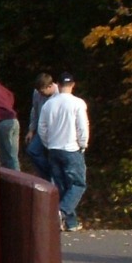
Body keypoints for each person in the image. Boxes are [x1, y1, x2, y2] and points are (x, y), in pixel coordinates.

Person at [37, 73, 90, 230]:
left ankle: (71, 223)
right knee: (78, 184)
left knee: (61, 185)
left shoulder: (49, 105)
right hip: (71, 148)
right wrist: (83, 144)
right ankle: (62, 211)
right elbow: (82, 126)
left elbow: (42, 128)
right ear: (73, 85)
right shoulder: (77, 103)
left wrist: (48, 143)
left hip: (54, 148)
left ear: (58, 85)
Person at [24, 72, 57, 178]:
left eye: (42, 92)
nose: (40, 94)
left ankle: (54, 177)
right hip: (41, 128)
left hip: (55, 130)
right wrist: (31, 129)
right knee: (32, 150)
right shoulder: (37, 93)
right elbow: (35, 110)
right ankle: (46, 176)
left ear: (50, 86)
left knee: (55, 157)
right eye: (39, 92)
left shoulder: (59, 94)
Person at [0, 81, 19, 171]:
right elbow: (10, 95)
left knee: (7, 158)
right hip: (13, 119)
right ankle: (17, 177)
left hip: (1, 122)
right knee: (13, 157)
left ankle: (14, 181)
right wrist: (8, 107)